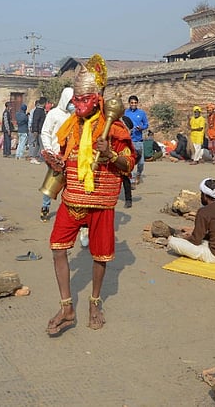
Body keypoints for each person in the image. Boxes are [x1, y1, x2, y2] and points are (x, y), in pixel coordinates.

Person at [42, 54, 135, 336]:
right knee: (58, 247)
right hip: (72, 198)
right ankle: (67, 306)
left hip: (102, 200)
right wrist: (55, 161)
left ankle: (95, 303)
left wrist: (112, 155)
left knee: (100, 255)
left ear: (98, 99)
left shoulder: (115, 127)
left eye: (85, 100)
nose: (78, 105)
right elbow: (64, 154)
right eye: (76, 101)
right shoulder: (71, 125)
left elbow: (129, 164)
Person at [166, 178, 215, 263]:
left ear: (204, 196)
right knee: (203, 241)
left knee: (173, 242)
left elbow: (196, 241)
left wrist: (185, 238)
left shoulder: (203, 212)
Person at [39, 87, 75, 221]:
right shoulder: (54, 113)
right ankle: (45, 207)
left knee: (70, 184)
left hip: (70, 155)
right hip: (55, 154)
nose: (72, 103)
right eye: (70, 100)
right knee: (52, 182)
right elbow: (46, 132)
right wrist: (49, 150)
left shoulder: (76, 116)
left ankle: (67, 210)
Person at [124, 95, 149, 185]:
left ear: (137, 103)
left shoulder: (141, 113)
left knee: (141, 162)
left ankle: (138, 174)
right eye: (132, 103)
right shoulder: (125, 113)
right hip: (128, 141)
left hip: (138, 141)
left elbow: (146, 124)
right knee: (129, 161)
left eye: (135, 103)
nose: (133, 104)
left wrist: (141, 127)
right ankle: (130, 178)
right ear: (129, 103)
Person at [29, 97, 47, 164]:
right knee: (40, 144)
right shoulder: (38, 110)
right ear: (44, 103)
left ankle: (36, 157)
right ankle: (35, 157)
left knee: (38, 145)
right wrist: (35, 130)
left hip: (40, 130)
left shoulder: (41, 110)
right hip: (38, 130)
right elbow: (35, 121)